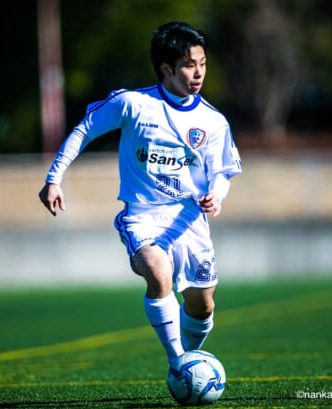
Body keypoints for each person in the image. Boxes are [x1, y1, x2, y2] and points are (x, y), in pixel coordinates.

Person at [38, 22, 242, 369]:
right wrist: (53, 178)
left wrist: (217, 195)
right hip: (143, 215)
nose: (199, 72)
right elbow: (85, 129)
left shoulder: (213, 121)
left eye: (203, 63)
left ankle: (190, 358)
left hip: (189, 220)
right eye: (190, 65)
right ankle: (179, 364)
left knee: (203, 305)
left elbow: (222, 171)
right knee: (157, 270)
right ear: (166, 68)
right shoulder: (133, 104)